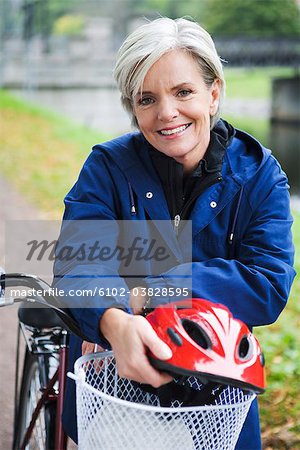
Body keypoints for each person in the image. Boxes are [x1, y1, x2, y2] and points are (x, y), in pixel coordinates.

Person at [53, 17, 295, 449]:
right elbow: (80, 262)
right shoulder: (106, 168)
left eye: (183, 91)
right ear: (133, 107)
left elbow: (267, 283)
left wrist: (148, 292)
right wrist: (113, 320)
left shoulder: (261, 175)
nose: (166, 113)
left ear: (214, 92)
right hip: (112, 377)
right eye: (147, 99)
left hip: (217, 386)